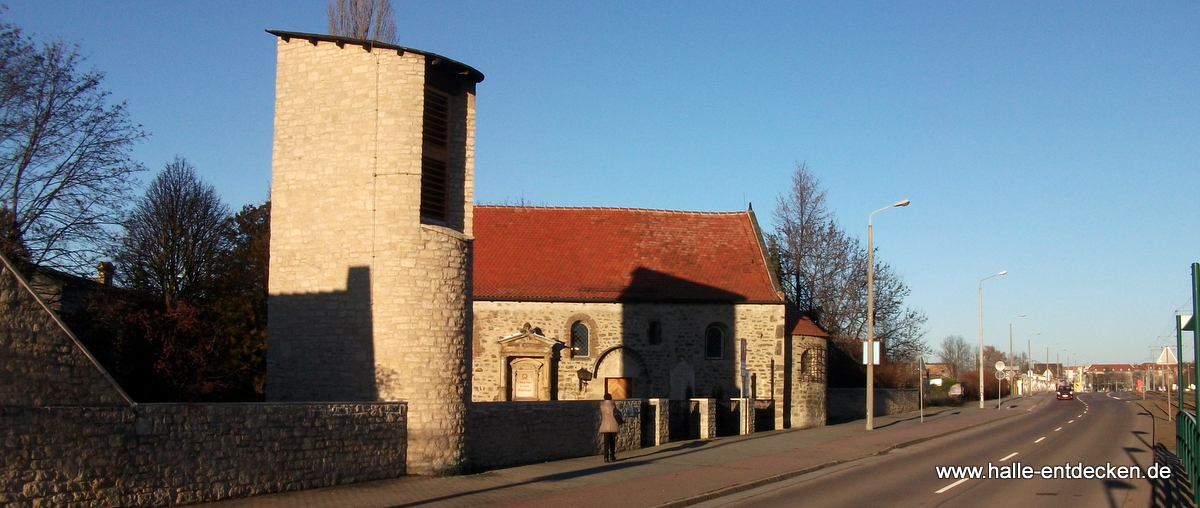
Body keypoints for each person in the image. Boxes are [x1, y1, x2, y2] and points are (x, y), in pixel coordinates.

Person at [599, 393, 620, 462]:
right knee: (612, 442)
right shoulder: (613, 405)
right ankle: (612, 456)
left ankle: (606, 456)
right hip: (613, 424)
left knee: (606, 442)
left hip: (605, 424)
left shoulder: (602, 406)